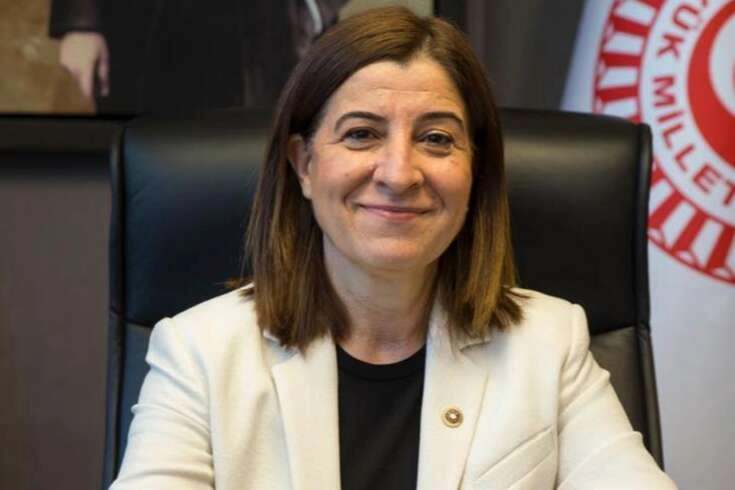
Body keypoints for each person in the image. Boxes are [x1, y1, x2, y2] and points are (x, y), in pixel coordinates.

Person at [109, 7, 678, 490]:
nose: (399, 173)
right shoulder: (200, 353)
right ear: (304, 164)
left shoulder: (548, 345)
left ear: (475, 170)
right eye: (361, 134)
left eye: (436, 138)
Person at [49, 0, 347, 113]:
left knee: (264, 172)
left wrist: (312, 9)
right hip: (147, 30)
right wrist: (80, 20)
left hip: (270, 33)